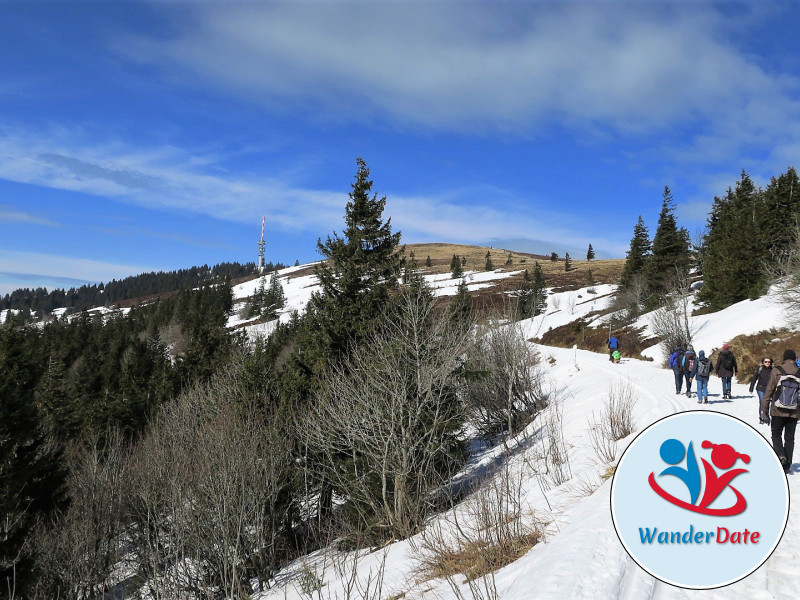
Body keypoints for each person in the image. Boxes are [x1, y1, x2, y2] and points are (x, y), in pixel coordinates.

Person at [761, 349, 800, 474]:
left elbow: (769, 391)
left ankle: (781, 456)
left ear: (784, 358)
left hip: (777, 409)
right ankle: (787, 466)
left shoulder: (777, 370)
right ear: (794, 359)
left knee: (776, 434)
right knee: (790, 438)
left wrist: (764, 410)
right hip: (794, 411)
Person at [749, 357, 774, 424]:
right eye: (766, 362)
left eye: (769, 362)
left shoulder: (773, 370)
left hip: (769, 389)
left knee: (767, 402)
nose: (767, 363)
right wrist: (751, 388)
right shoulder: (759, 369)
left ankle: (766, 416)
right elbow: (754, 378)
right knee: (762, 401)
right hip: (760, 388)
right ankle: (761, 417)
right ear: (763, 362)